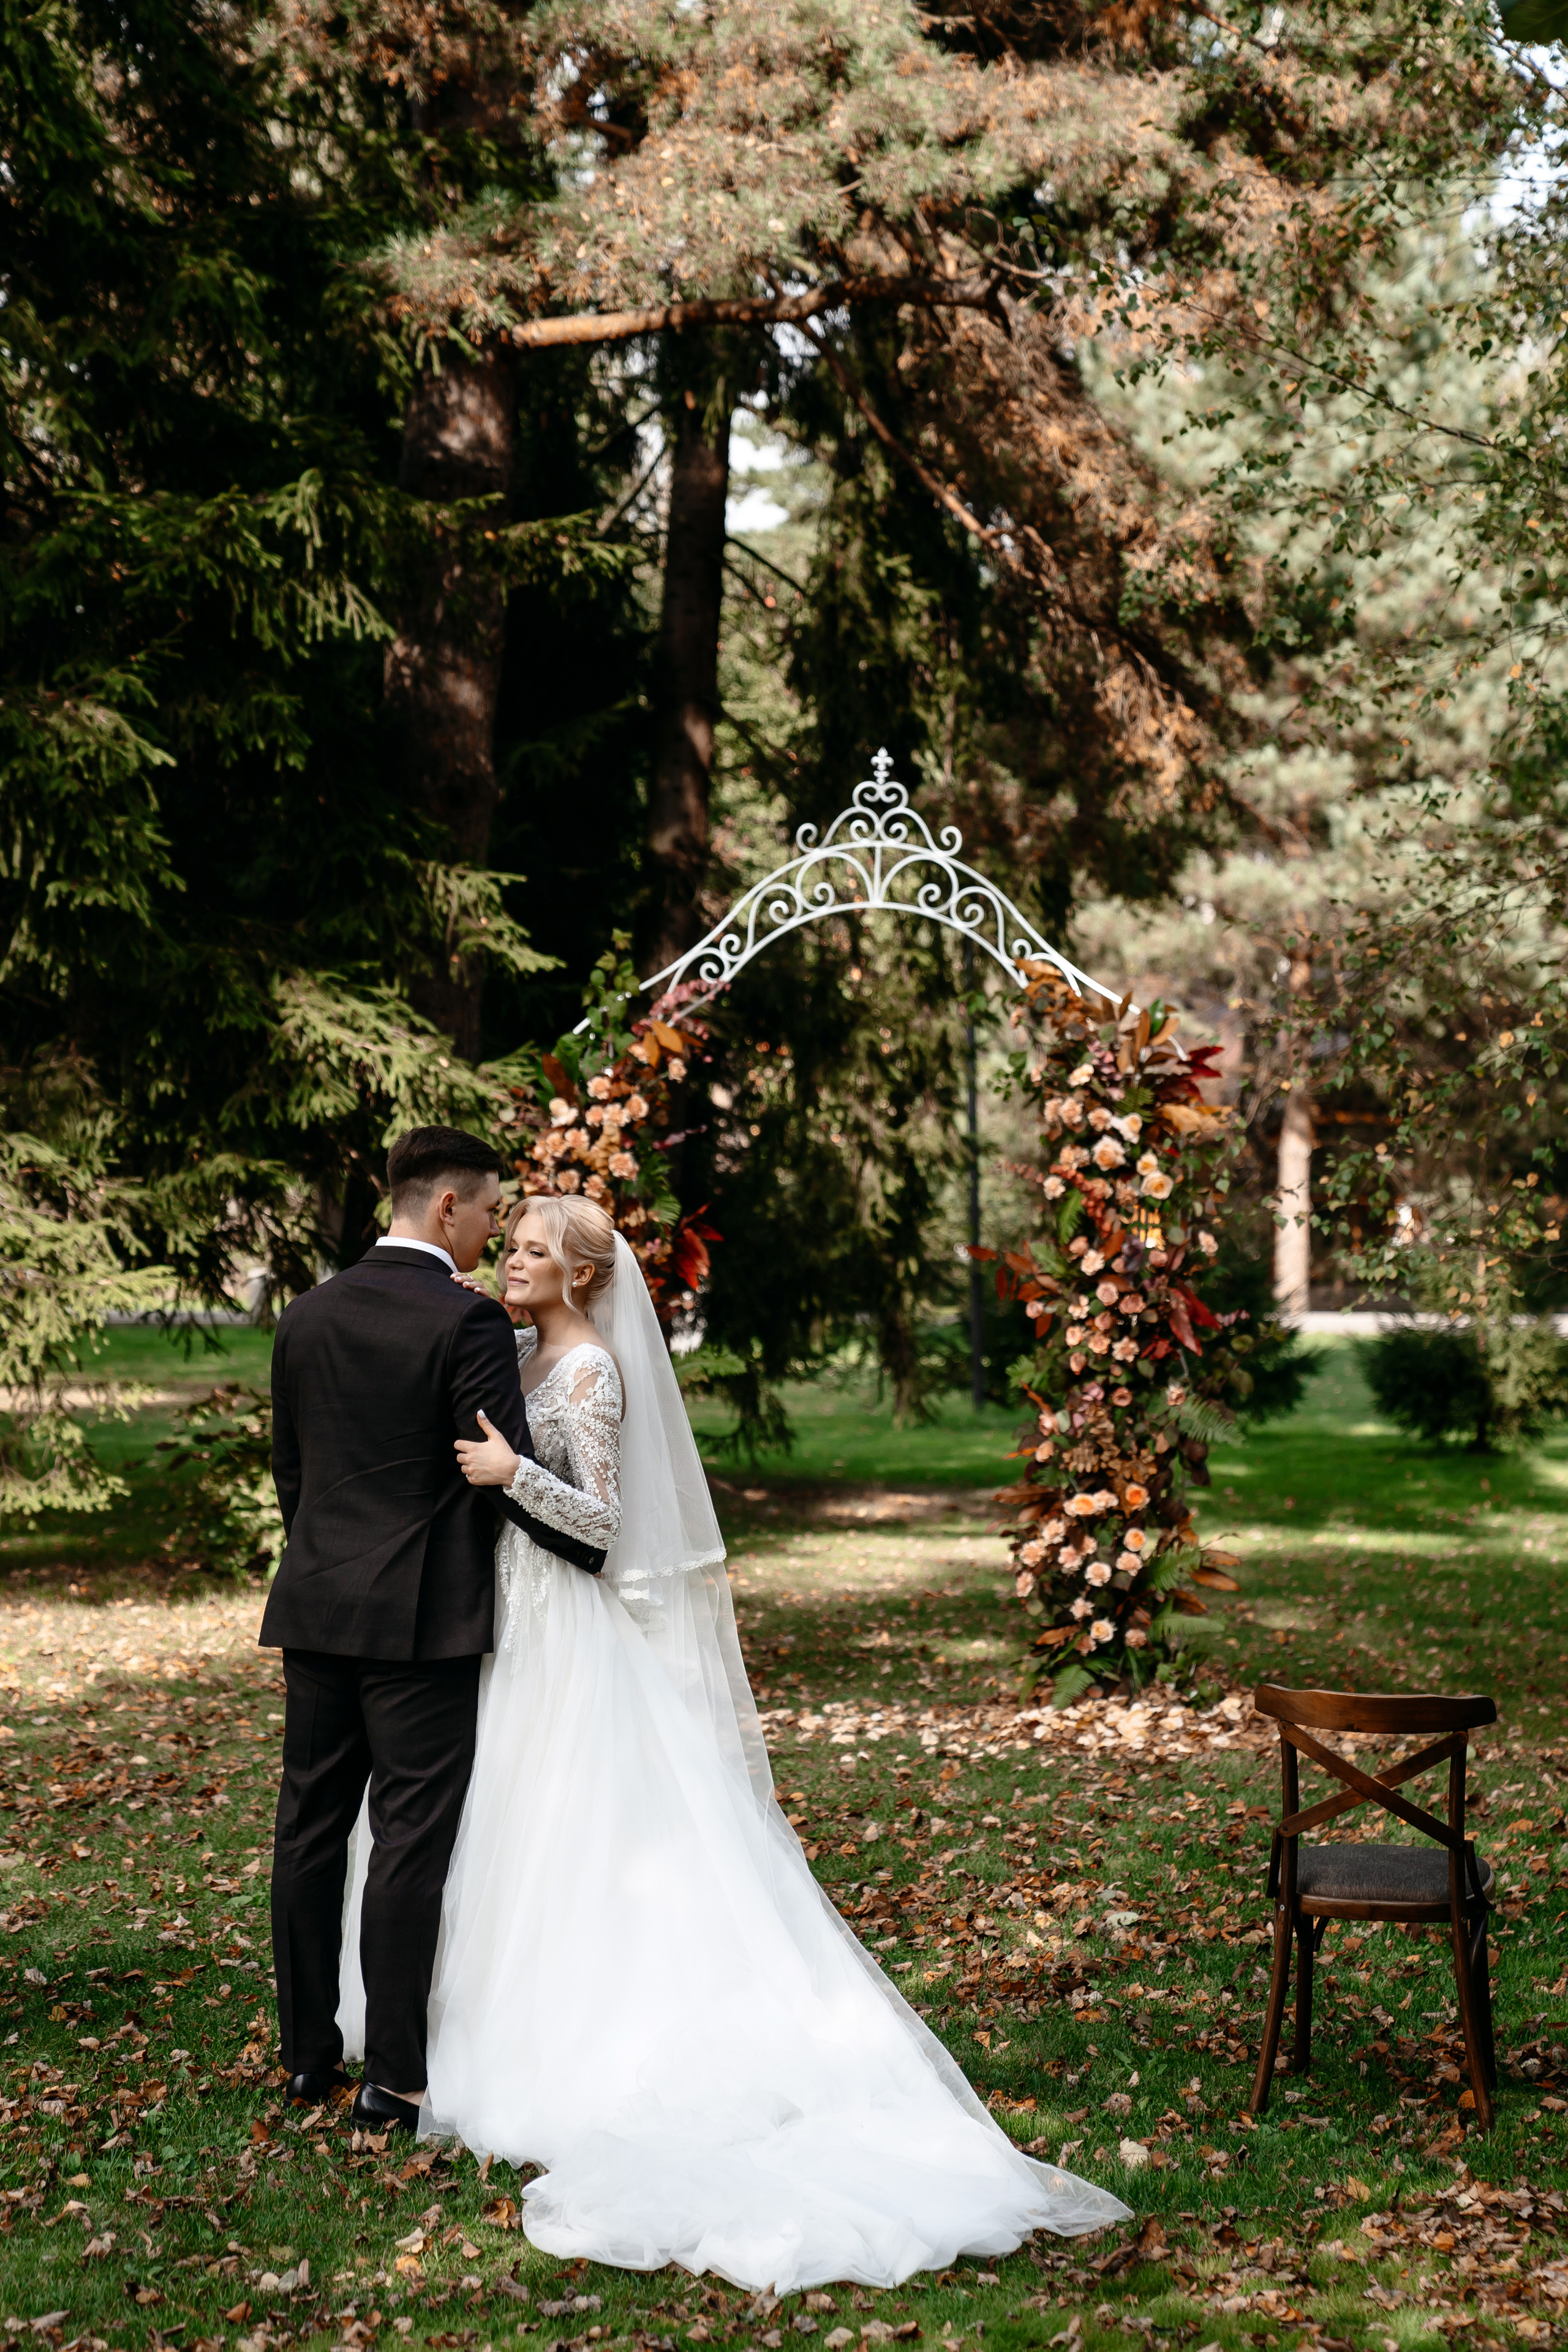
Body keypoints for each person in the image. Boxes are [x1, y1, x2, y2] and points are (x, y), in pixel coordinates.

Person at [337, 1190, 1130, 2288]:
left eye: (529, 1253)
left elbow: (605, 1530)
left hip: (561, 1636)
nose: (506, 1264)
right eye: (506, 1247)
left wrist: (514, 1477)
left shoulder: (590, 1374)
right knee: (478, 1822)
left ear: (579, 1274)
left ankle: (550, 2042)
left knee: (554, 1826)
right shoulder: (508, 1352)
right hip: (493, 1628)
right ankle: (439, 2024)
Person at [261, 1127, 604, 2139]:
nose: (496, 1228)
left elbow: (295, 1477)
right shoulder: (463, 1325)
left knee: (308, 1832)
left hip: (320, 1608)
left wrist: (334, 1567)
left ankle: (306, 2057)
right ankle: (395, 2081)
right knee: (409, 1843)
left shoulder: (305, 1316)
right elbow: (493, 1473)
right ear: (446, 1208)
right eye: (492, 1210)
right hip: (425, 1623)